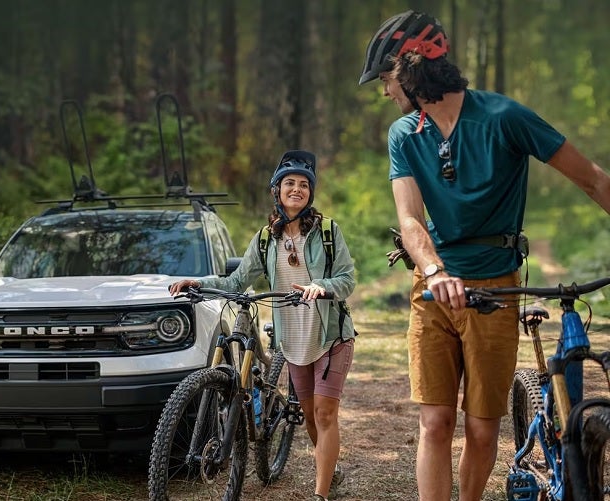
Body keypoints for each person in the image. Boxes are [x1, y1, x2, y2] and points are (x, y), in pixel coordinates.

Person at [358, 10, 610, 501]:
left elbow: (593, 179)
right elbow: (410, 220)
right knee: (435, 422)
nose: (384, 91)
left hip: (496, 289)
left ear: (409, 68)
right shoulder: (404, 134)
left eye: (386, 78)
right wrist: (434, 270)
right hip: (433, 290)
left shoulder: (503, 117)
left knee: (480, 429)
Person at [169, 150, 357, 501]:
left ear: (311, 193)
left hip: (330, 337)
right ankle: (330, 469)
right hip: (293, 339)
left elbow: (347, 279)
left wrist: (322, 286)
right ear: (277, 190)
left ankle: (320, 494)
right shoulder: (266, 239)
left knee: (324, 413)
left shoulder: (328, 232)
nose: (297, 189)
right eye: (290, 183)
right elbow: (237, 280)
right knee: (311, 418)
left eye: (304, 185)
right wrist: (199, 282)